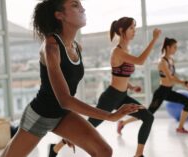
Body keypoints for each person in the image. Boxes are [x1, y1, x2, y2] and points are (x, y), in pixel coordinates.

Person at [1, 1, 141, 157]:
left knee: (104, 151)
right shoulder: (51, 47)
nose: (83, 8)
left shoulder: (76, 47)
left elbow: (67, 96)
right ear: (59, 15)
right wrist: (110, 116)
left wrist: (70, 132)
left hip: (62, 115)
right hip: (40, 115)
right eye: (75, 5)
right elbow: (65, 99)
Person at [48, 17, 161, 157]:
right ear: (121, 30)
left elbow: (119, 74)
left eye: (135, 27)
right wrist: (154, 39)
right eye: (131, 28)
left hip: (122, 96)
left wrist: (131, 87)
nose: (134, 31)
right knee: (88, 128)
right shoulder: (117, 52)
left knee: (148, 117)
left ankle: (138, 155)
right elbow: (140, 60)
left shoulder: (126, 49)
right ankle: (55, 148)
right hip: (111, 97)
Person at [117, 37, 188, 135]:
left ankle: (180, 128)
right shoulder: (162, 62)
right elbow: (170, 78)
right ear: (168, 47)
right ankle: (123, 123)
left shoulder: (171, 60)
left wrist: (186, 85)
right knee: (148, 113)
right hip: (161, 92)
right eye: (174, 47)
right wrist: (186, 83)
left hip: (168, 91)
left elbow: (174, 76)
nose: (176, 49)